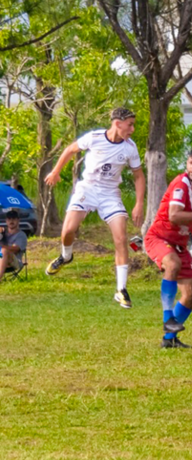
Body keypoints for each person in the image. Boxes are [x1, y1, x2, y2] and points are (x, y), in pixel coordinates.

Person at [44, 108, 145, 309]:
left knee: (121, 238)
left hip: (110, 194)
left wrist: (139, 204)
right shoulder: (95, 137)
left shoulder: (130, 148)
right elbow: (70, 149)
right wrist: (56, 172)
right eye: (130, 124)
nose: (132, 129)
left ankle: (121, 289)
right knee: (67, 231)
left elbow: (138, 176)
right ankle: (66, 256)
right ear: (118, 123)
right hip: (87, 189)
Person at [143, 147, 192, 349]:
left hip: (180, 244)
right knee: (172, 264)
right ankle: (168, 318)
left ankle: (168, 341)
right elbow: (174, 215)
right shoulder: (180, 184)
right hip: (158, 237)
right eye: (191, 162)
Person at [0, 210, 27, 282]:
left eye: (14, 218)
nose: (11, 221)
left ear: (18, 220)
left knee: (4, 251)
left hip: (15, 261)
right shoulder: (2, 233)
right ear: (6, 221)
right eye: (9, 219)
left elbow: (15, 249)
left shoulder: (21, 235)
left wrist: (2, 247)